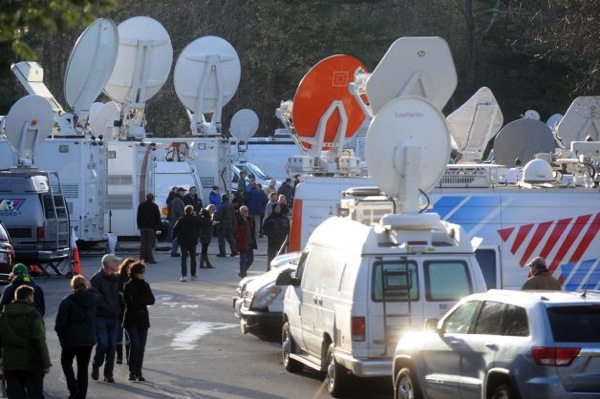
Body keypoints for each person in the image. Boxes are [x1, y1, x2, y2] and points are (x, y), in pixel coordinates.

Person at [0, 285, 52, 398]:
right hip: (31, 363)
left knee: (15, 395)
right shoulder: (33, 315)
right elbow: (39, 340)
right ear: (28, 297)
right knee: (35, 394)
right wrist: (46, 363)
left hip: (10, 363)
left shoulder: (4, 315)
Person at [55, 275, 99, 399]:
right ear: (86, 286)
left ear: (73, 286)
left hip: (71, 340)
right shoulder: (93, 299)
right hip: (87, 340)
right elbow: (97, 295)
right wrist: (90, 288)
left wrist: (62, 340)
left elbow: (60, 324)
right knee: (83, 369)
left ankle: (73, 388)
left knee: (66, 363)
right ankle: (81, 395)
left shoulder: (67, 302)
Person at [90, 253, 122, 383]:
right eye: (115, 262)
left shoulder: (116, 278)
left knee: (112, 346)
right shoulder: (97, 279)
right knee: (103, 344)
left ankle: (108, 373)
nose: (118, 264)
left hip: (114, 317)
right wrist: (105, 306)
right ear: (108, 264)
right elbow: (93, 297)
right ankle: (96, 365)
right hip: (101, 317)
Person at [122, 261, 155, 382]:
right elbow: (129, 302)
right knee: (135, 345)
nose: (143, 274)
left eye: (143, 272)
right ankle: (132, 371)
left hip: (143, 320)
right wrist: (141, 300)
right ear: (134, 273)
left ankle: (139, 371)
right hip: (131, 319)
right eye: (141, 272)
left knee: (141, 347)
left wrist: (137, 299)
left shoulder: (145, 285)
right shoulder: (128, 286)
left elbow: (151, 300)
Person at [173, 205, 201, 282]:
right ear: (192, 211)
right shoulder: (195, 219)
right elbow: (200, 226)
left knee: (183, 258)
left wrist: (174, 236)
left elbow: (175, 229)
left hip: (183, 241)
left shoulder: (181, 219)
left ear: (185, 211)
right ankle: (193, 274)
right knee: (193, 258)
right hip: (192, 240)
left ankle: (184, 276)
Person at [116, 258, 135, 365]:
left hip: (130, 312)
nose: (130, 269)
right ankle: (119, 356)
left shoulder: (135, 279)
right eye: (128, 266)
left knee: (129, 337)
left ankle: (129, 357)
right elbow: (115, 293)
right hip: (119, 311)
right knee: (118, 335)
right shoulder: (118, 278)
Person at [262, 203, 290, 271]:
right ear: (273, 209)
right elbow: (264, 229)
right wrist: (271, 235)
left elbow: (289, 229)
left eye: (279, 208)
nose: (278, 209)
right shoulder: (270, 219)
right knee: (271, 258)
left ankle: (280, 271)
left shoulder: (285, 218)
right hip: (272, 242)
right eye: (277, 208)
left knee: (281, 258)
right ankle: (269, 271)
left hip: (282, 241)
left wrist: (288, 238)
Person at [136, 193, 161, 264]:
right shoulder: (154, 206)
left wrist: (139, 226)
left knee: (143, 243)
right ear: (152, 198)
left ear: (146, 198)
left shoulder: (141, 205)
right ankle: (150, 259)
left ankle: (142, 259)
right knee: (149, 243)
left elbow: (138, 216)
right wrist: (158, 226)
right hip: (151, 227)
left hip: (143, 227)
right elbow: (157, 217)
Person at [233, 205, 257, 278]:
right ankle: (243, 274)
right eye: (245, 211)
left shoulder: (249, 219)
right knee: (243, 259)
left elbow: (252, 230)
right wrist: (240, 240)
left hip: (250, 242)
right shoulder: (238, 222)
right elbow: (235, 232)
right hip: (243, 243)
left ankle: (242, 271)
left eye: (247, 211)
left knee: (251, 259)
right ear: (241, 212)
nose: (247, 212)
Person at [215, 193, 238, 258]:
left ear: (222, 199)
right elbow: (233, 216)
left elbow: (219, 217)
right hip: (230, 223)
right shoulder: (231, 205)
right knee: (230, 238)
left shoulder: (222, 206)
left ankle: (222, 253)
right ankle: (234, 251)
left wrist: (215, 218)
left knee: (221, 238)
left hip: (223, 224)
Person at [199, 204, 216, 269]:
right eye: (212, 211)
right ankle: (207, 263)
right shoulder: (204, 215)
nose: (213, 213)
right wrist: (211, 223)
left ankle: (202, 263)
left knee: (204, 249)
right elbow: (203, 224)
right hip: (204, 234)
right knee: (204, 250)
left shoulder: (206, 215)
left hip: (206, 234)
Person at [170, 187, 186, 257]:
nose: (184, 193)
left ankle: (174, 252)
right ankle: (177, 252)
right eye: (183, 191)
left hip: (178, 220)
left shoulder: (178, 199)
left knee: (178, 237)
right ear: (179, 192)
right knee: (179, 237)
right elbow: (178, 211)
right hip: (178, 221)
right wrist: (183, 217)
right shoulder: (177, 200)